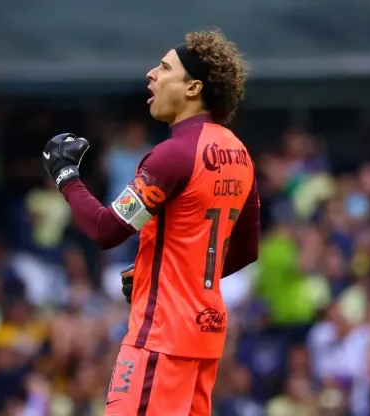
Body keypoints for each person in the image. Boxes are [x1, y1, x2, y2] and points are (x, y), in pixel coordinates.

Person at [41, 29, 260, 415]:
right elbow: (244, 250)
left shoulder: (172, 155)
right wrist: (154, 271)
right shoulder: (238, 153)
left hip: (160, 337)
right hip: (204, 340)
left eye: (163, 67)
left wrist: (66, 175)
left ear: (193, 88)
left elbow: (106, 230)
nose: (151, 75)